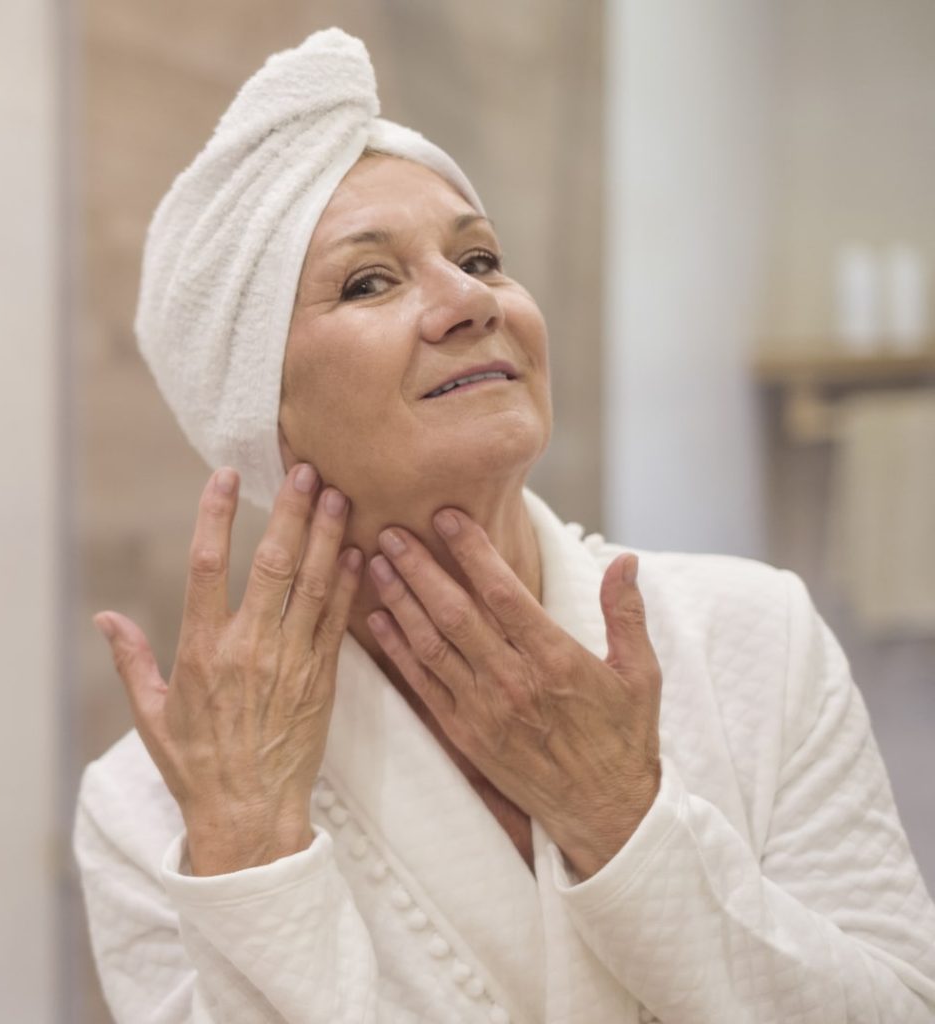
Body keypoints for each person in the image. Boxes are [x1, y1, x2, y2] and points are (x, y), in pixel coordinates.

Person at [74, 28, 935, 1024]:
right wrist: (251, 859)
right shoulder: (160, 806)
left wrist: (624, 823)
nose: (465, 301)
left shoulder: (754, 637)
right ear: (259, 411)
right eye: (370, 281)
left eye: (479, 256)